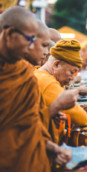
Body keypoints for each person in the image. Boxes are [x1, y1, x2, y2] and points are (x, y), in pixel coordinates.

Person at [0, 7, 71, 172]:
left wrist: (53, 148)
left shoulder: (24, 73)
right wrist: (56, 106)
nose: (32, 47)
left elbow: (30, 125)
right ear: (10, 34)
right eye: (29, 40)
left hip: (31, 161)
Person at [34, 40, 87, 131]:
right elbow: (81, 117)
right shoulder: (48, 82)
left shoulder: (40, 73)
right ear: (56, 65)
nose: (73, 78)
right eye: (72, 72)